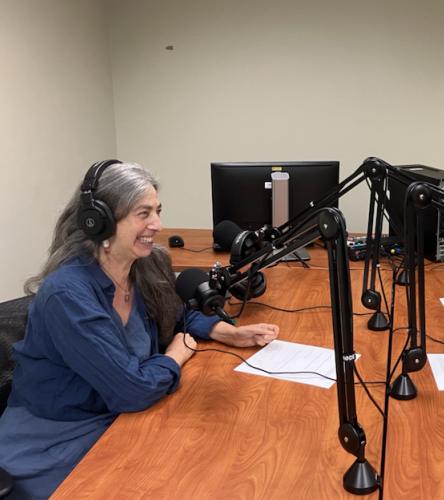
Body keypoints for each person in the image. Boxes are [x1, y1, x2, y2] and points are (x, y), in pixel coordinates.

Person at [0, 161, 280, 499]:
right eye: (142, 213)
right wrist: (175, 356)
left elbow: (174, 319)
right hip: (57, 438)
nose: (158, 225)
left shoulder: (143, 266)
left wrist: (224, 331)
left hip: (120, 420)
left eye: (157, 211)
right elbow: (132, 390)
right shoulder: (67, 294)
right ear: (99, 220)